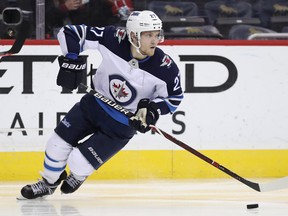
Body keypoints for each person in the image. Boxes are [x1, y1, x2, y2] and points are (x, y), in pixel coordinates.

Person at [19, 10, 184, 199]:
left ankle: (79, 175)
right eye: (148, 35)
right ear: (132, 35)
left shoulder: (166, 68)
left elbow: (174, 99)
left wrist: (151, 111)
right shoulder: (113, 38)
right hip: (93, 106)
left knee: (78, 162)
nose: (154, 41)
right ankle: (48, 183)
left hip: (122, 125)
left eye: (157, 34)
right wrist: (71, 58)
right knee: (55, 146)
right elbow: (71, 32)